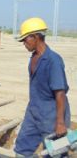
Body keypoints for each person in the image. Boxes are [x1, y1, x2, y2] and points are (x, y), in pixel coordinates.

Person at [14, 17, 71, 157]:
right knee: (21, 149)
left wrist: (60, 123)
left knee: (55, 153)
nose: (23, 44)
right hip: (33, 112)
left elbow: (60, 93)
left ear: (35, 37)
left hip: (52, 116)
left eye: (25, 40)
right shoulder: (33, 57)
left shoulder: (53, 61)